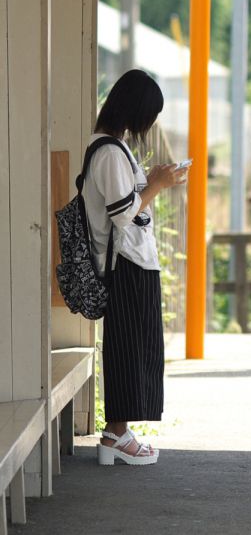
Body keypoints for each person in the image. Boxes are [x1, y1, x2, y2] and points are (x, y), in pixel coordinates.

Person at [82, 69, 188, 466]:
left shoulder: (114, 147)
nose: (151, 123)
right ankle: (115, 434)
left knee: (137, 347)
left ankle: (118, 432)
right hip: (123, 263)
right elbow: (123, 214)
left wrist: (161, 180)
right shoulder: (109, 151)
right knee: (127, 348)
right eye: (150, 114)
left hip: (134, 262)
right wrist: (156, 185)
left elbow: (128, 205)